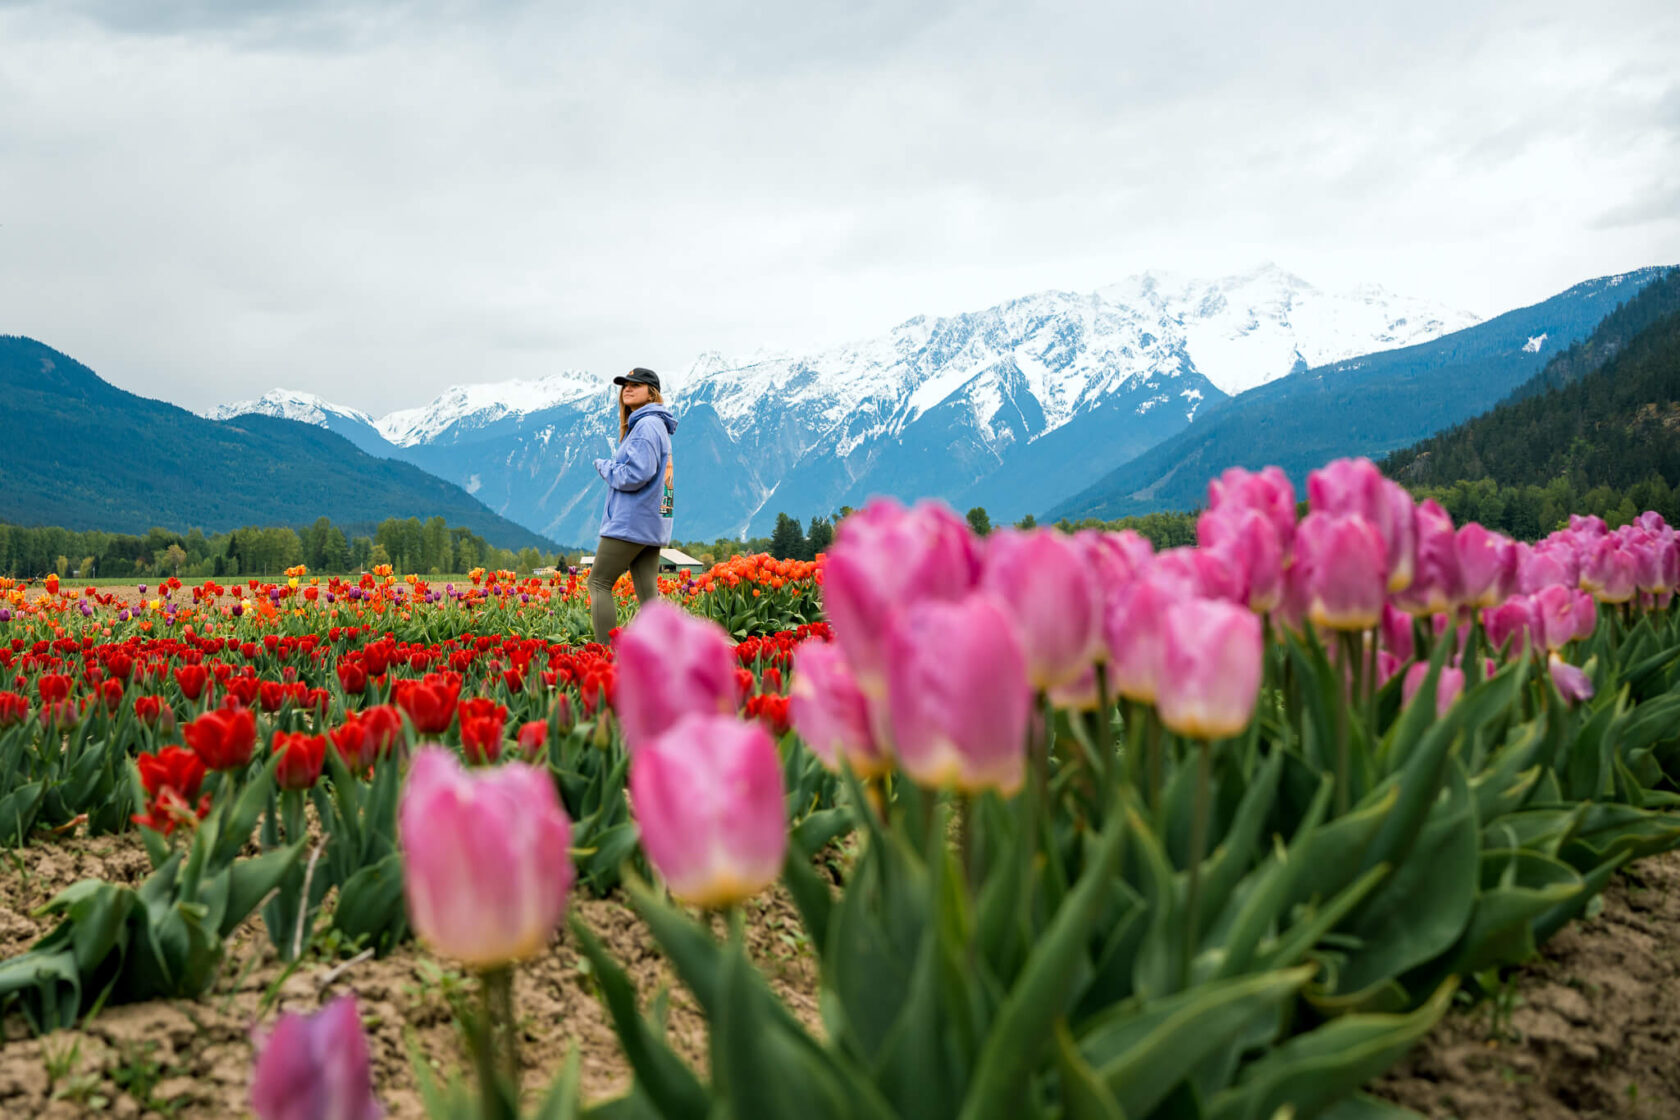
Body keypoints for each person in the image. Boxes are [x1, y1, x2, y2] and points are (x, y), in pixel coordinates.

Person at [588, 367, 678, 643]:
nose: (627, 388)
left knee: (599, 582)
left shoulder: (645, 427)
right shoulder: (657, 426)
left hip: (632, 521)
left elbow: (637, 474)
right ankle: (669, 653)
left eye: (636, 385)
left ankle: (605, 655)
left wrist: (606, 467)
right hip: (653, 521)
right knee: (648, 594)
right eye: (625, 385)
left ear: (652, 393)